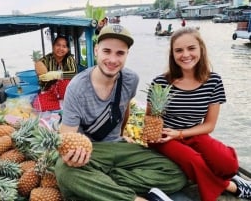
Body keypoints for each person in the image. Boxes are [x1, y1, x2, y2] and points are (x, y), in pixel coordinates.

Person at [54, 24, 187, 201]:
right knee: (63, 170)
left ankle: (102, 185)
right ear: (96, 51)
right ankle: (134, 199)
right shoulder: (77, 88)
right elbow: (66, 138)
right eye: (107, 51)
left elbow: (124, 111)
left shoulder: (131, 79)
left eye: (120, 53)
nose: (112, 59)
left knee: (176, 173)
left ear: (126, 55)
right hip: (91, 152)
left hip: (119, 147)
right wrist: (71, 157)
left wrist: (123, 136)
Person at [146, 27, 251, 201]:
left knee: (228, 164)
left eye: (191, 48)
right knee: (194, 161)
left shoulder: (213, 81)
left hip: (194, 133)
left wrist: (180, 134)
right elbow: (149, 118)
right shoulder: (161, 82)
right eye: (178, 50)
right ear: (172, 54)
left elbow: (209, 125)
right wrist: (161, 134)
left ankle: (230, 177)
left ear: (201, 48)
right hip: (163, 137)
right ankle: (234, 187)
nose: (185, 54)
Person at [33, 35, 77, 111]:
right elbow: (43, 82)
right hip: (52, 92)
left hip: (67, 92)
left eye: (64, 46)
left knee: (64, 81)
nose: (60, 48)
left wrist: (57, 75)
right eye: (58, 45)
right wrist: (41, 73)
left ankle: (67, 103)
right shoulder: (46, 59)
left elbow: (74, 73)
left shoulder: (69, 58)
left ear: (67, 49)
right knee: (37, 104)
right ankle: (62, 104)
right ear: (53, 46)